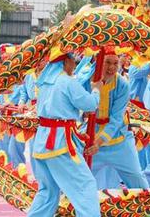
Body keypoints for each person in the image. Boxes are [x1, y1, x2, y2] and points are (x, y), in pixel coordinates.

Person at [27, 51, 101, 217]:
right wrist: (96, 91)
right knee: (85, 186)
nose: (75, 65)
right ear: (66, 61)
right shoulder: (66, 81)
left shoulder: (45, 82)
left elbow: (62, 106)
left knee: (48, 193)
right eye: (73, 61)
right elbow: (89, 104)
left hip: (42, 142)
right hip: (59, 143)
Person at [84, 47, 150, 191]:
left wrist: (98, 143)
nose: (112, 67)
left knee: (138, 181)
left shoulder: (122, 85)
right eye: (107, 62)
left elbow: (116, 119)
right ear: (98, 61)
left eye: (115, 63)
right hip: (91, 142)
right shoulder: (85, 80)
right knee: (79, 182)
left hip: (120, 142)